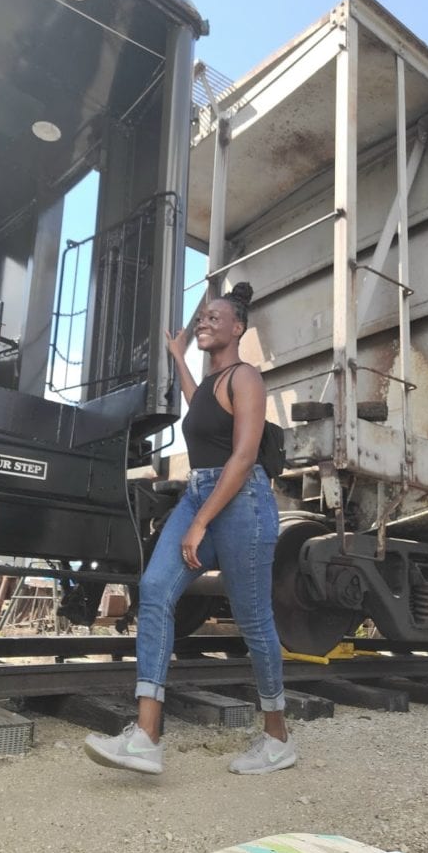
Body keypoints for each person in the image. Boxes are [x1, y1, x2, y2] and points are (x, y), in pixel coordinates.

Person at [84, 282, 295, 775]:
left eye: (213, 318)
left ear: (237, 327)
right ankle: (146, 736)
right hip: (201, 492)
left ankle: (278, 737)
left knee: (254, 622)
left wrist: (199, 523)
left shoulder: (247, 378)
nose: (203, 322)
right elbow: (199, 403)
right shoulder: (211, 386)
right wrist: (178, 355)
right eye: (201, 319)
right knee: (155, 590)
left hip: (240, 502)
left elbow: (243, 458)